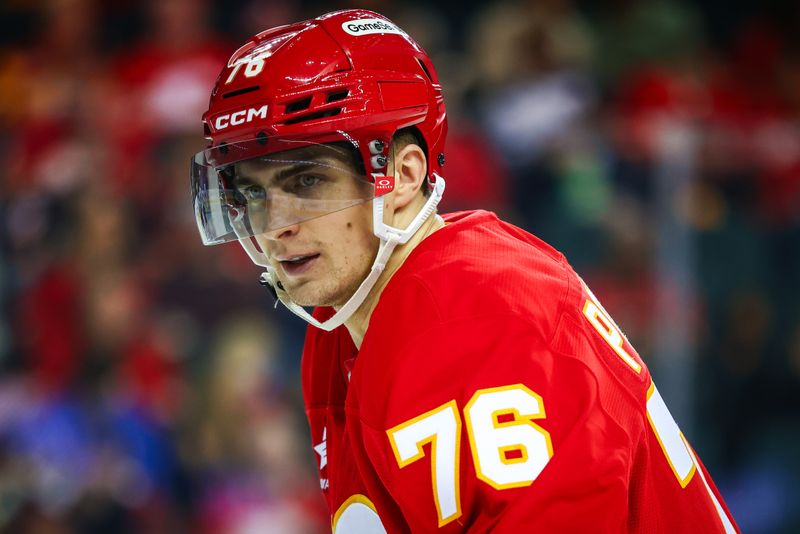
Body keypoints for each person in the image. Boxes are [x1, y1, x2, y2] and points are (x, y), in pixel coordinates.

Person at [189, 9, 739, 533]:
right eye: (252, 193)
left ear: (402, 175)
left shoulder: (477, 312)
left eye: (305, 182)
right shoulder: (340, 323)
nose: (273, 225)